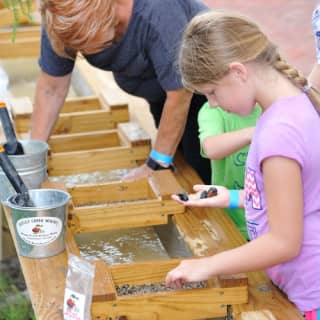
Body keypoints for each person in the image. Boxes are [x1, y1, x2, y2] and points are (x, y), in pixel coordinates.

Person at [165, 10, 320, 316]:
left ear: (238, 71)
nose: (213, 103)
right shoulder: (291, 106)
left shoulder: (279, 134)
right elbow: (297, 199)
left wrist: (206, 265)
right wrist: (234, 197)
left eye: (211, 92)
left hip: (310, 295)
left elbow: (284, 242)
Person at [30, 0, 211, 184]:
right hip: (161, 92)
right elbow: (51, 89)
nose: (81, 52)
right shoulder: (61, 16)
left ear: (103, 17)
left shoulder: (157, 12)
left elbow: (180, 93)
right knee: (178, 162)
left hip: (208, 87)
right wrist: (34, 155)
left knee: (198, 167)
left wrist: (156, 163)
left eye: (86, 46)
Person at [198, 102, 261, 239]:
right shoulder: (213, 110)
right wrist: (258, 131)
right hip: (234, 223)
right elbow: (211, 148)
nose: (212, 101)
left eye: (213, 91)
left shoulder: (276, 107)